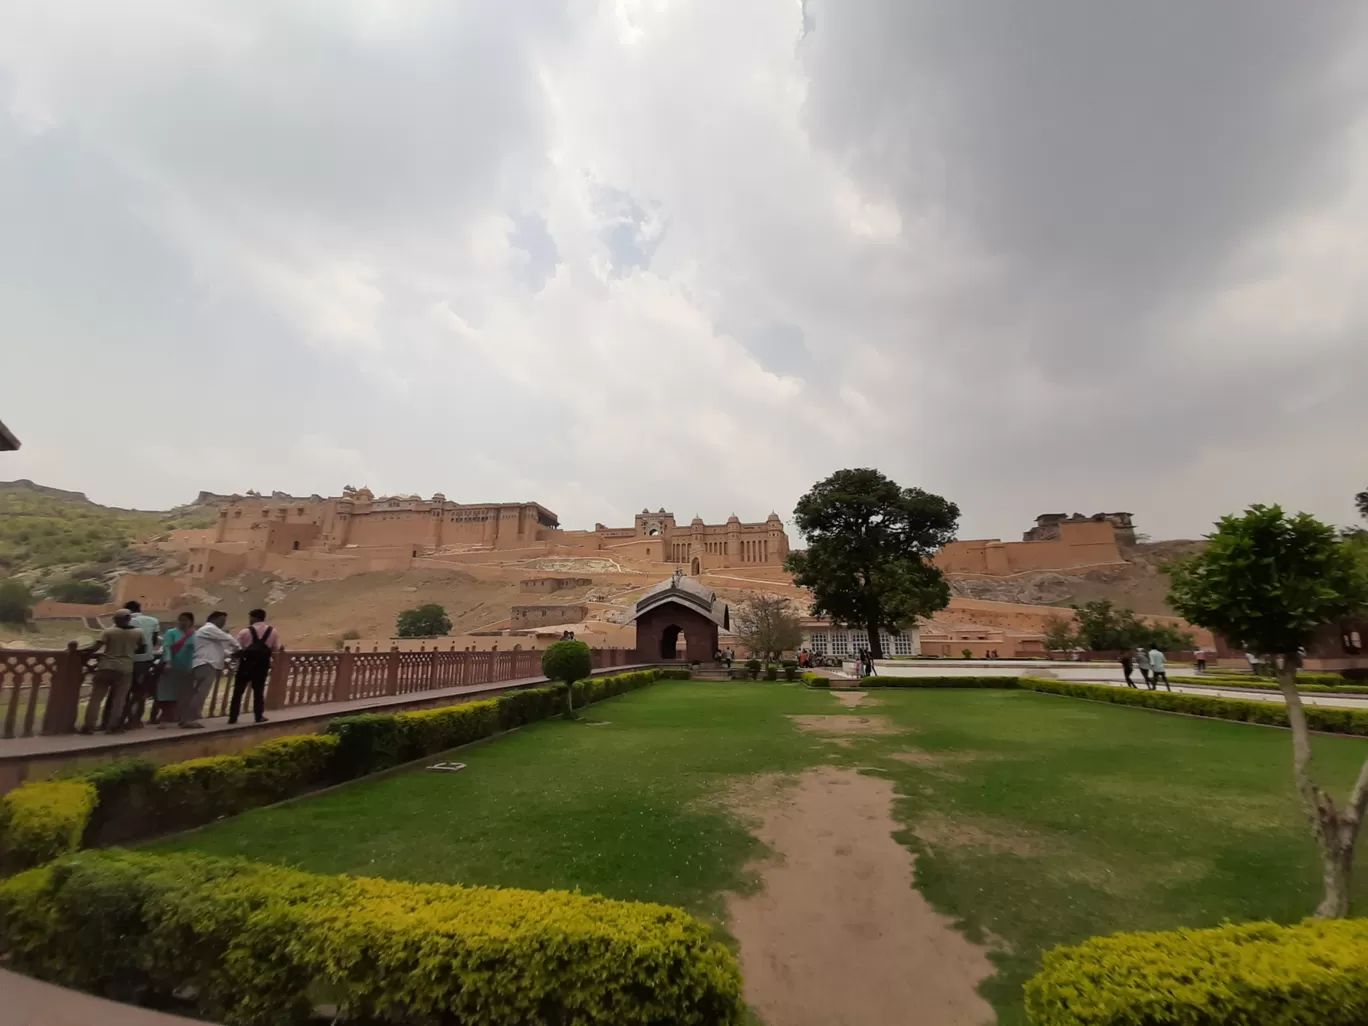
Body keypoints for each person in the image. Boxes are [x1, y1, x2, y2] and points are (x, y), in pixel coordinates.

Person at [79, 610, 145, 734]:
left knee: (96, 698)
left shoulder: (109, 631)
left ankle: (88, 725)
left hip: (105, 666)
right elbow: (142, 648)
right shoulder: (138, 632)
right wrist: (129, 651)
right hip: (125, 668)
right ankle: (113, 726)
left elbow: (95, 647)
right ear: (128, 619)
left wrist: (84, 652)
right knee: (119, 699)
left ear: (116, 620)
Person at [185, 610, 239, 729]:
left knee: (197, 692)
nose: (223, 624)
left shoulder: (209, 634)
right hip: (206, 663)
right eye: (222, 621)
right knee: (200, 693)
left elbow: (219, 649)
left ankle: (187, 718)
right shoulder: (209, 628)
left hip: (207, 663)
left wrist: (231, 654)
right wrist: (239, 649)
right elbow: (227, 638)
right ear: (213, 619)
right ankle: (190, 719)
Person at [231, 608, 282, 725]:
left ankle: (233, 717)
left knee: (238, 691)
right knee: (258, 691)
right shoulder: (272, 631)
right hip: (262, 665)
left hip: (245, 665)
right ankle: (258, 716)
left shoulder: (245, 631)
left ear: (254, 618)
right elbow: (276, 649)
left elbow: (236, 647)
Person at [122, 600, 161, 729]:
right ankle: (136, 719)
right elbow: (154, 641)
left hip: (126, 659)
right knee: (140, 691)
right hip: (145, 660)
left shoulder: (124, 620)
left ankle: (120, 718)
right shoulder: (153, 621)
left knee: (123, 691)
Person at [155, 612, 196, 726]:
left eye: (185, 620)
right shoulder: (171, 633)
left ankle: (178, 715)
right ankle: (164, 716)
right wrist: (168, 662)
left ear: (191, 622)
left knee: (182, 692)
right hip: (171, 666)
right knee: (166, 691)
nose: (182, 622)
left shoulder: (193, 635)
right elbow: (167, 648)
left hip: (186, 666)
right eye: (180, 620)